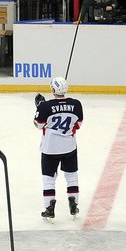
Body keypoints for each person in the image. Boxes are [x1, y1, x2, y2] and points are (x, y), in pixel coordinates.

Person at [33, 76, 83, 220]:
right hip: (69, 147)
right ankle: (73, 203)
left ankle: (49, 208)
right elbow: (78, 125)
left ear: (53, 89)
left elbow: (38, 125)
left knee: (49, 179)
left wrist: (39, 107)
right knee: (71, 176)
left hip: (50, 148)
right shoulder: (76, 104)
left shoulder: (45, 106)